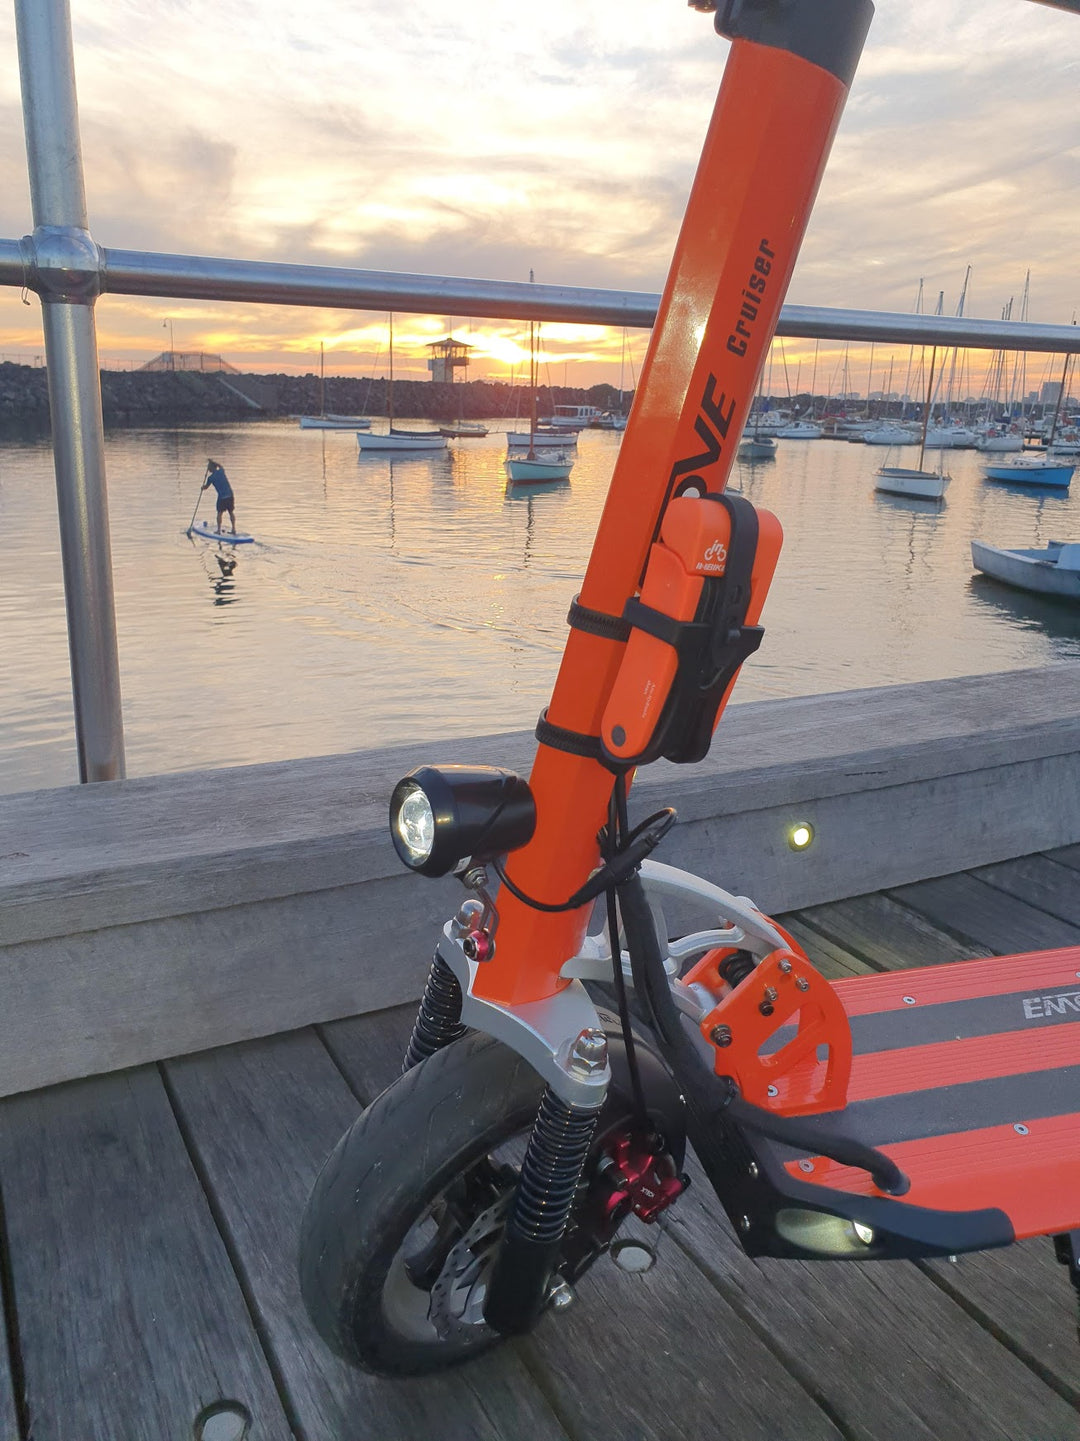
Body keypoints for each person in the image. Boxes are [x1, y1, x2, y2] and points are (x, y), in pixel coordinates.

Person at [202, 459, 237, 534]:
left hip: (222, 497)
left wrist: (202, 487)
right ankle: (233, 529)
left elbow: (206, 487)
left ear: (212, 468)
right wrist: (213, 462)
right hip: (230, 495)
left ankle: (218, 530)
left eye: (209, 467)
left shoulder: (210, 478)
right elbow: (221, 466)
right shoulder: (221, 471)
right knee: (231, 512)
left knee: (219, 513)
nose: (208, 469)